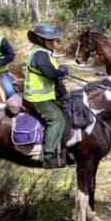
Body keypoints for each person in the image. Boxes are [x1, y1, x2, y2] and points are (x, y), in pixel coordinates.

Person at [23, 23, 69, 169]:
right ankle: (49, 157)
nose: (54, 43)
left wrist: (61, 70)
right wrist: (62, 72)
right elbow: (50, 74)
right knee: (57, 120)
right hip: (38, 99)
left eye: (55, 40)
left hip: (44, 97)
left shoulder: (43, 53)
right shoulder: (40, 54)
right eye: (51, 40)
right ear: (41, 40)